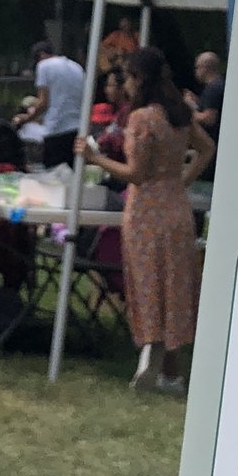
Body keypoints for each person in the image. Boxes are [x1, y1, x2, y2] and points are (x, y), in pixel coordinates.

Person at [87, 47, 210, 394]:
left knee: (147, 283)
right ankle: (171, 370)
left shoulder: (141, 118)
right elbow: (207, 149)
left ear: (138, 79)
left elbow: (136, 173)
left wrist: (95, 159)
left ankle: (150, 347)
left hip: (145, 211)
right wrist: (181, 179)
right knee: (175, 285)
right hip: (177, 207)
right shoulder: (179, 113)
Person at [14, 39, 86, 169]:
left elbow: (43, 103)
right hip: (78, 130)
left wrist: (27, 119)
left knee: (53, 180)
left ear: (41, 55)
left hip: (56, 130)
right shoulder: (77, 67)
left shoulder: (44, 66)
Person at [192, 50, 225, 178]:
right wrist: (195, 102)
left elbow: (209, 118)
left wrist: (188, 113)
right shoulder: (219, 85)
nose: (196, 71)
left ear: (205, 68)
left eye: (197, 67)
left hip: (211, 145)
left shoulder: (212, 89)